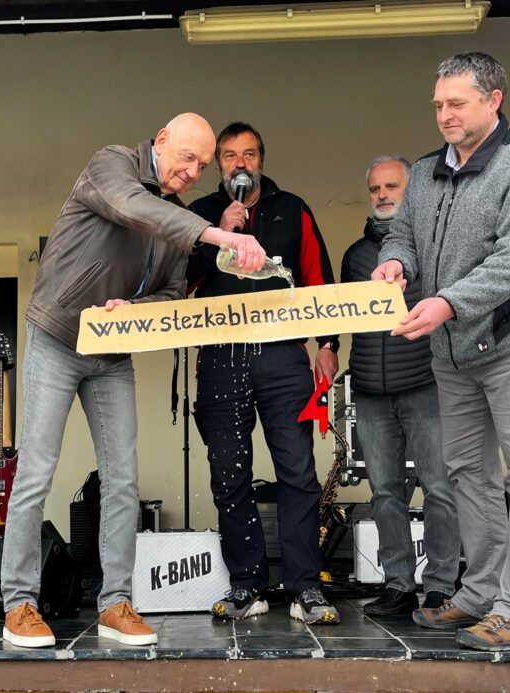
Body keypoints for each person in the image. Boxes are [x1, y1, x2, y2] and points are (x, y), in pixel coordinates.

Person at [0, 113, 267, 648]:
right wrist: (216, 233)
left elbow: (170, 292)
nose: (192, 172)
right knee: (35, 473)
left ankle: (116, 603)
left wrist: (136, 307)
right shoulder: (112, 163)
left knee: (122, 481)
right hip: (57, 336)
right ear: (161, 140)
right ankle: (19, 604)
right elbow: (131, 206)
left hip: (112, 350)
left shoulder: (178, 218)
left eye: (202, 165)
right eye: (187, 157)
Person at [373, 52, 510, 651]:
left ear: (493, 100)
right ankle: (481, 593)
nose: (445, 115)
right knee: (466, 471)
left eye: (456, 103)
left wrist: (448, 303)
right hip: (453, 350)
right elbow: (403, 234)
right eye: (438, 104)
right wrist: (396, 263)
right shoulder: (426, 170)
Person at [187, 122, 340, 625]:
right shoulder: (199, 214)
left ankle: (304, 587)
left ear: (261, 160)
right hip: (220, 355)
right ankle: (247, 585)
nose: (240, 163)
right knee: (229, 476)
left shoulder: (292, 208)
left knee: (298, 472)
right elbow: (179, 279)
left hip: (283, 356)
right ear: (218, 165)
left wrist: (328, 344)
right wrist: (220, 232)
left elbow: (318, 279)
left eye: (249, 154)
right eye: (230, 155)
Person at [341, 155, 460, 617]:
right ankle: (398, 585)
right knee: (385, 493)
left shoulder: (432, 246)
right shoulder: (355, 255)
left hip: (425, 384)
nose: (383, 195)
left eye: (392, 186)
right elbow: (345, 317)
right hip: (371, 391)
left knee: (439, 488)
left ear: (410, 191)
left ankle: (441, 587)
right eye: (376, 188)